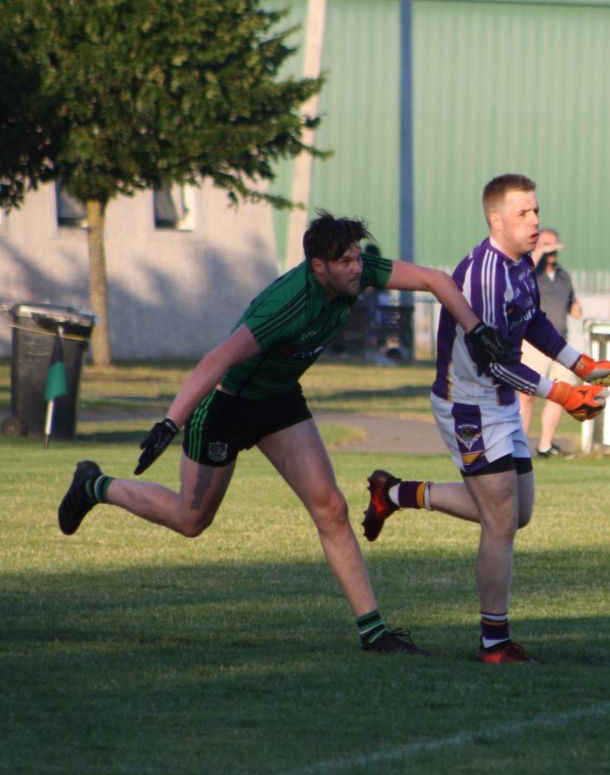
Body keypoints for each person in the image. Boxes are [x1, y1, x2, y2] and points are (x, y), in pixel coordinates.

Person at [56, 211, 517, 656]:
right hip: (225, 406)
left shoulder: (359, 272)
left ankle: (374, 633)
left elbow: (437, 280)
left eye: (358, 257)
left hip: (277, 400)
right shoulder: (286, 304)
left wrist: (474, 329)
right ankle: (95, 485)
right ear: (319, 267)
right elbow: (217, 360)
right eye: (346, 262)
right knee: (190, 520)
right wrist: (169, 422)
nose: (358, 267)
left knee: (331, 507)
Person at [360, 174, 610, 664]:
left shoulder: (523, 263)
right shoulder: (484, 274)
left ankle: (394, 493)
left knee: (516, 512)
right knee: (500, 522)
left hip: (498, 400)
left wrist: (580, 364)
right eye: (524, 213)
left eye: (536, 211)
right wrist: (562, 393)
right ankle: (494, 642)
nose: (536, 221)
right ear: (495, 220)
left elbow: (535, 323)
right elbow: (494, 360)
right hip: (470, 405)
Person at [518, 227, 583, 458]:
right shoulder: (531, 272)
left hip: (559, 343)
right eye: (546, 245)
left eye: (554, 245)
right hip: (533, 343)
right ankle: (519, 447)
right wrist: (539, 252)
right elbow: (523, 272)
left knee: (560, 392)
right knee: (526, 394)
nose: (551, 251)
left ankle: (546, 445)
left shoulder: (563, 275)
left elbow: (571, 304)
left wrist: (575, 308)